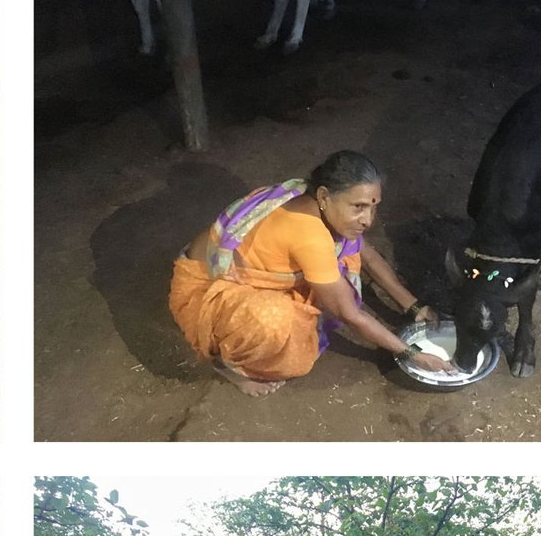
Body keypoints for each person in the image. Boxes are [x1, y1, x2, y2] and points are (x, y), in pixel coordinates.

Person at [169, 150, 454, 396]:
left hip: (226, 267)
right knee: (277, 326)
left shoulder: (303, 194)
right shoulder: (310, 235)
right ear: (324, 196)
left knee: (346, 258)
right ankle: (229, 364)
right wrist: (412, 354)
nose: (368, 220)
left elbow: (364, 253)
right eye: (358, 207)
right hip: (206, 289)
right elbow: (349, 314)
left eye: (373, 207)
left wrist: (414, 306)